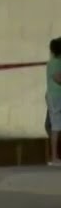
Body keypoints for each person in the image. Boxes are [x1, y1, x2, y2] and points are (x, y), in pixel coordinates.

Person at [48, 37, 61, 166]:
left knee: (56, 126)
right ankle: (54, 158)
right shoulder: (56, 62)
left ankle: (54, 157)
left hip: (54, 96)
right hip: (56, 97)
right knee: (56, 126)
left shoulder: (52, 62)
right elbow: (58, 78)